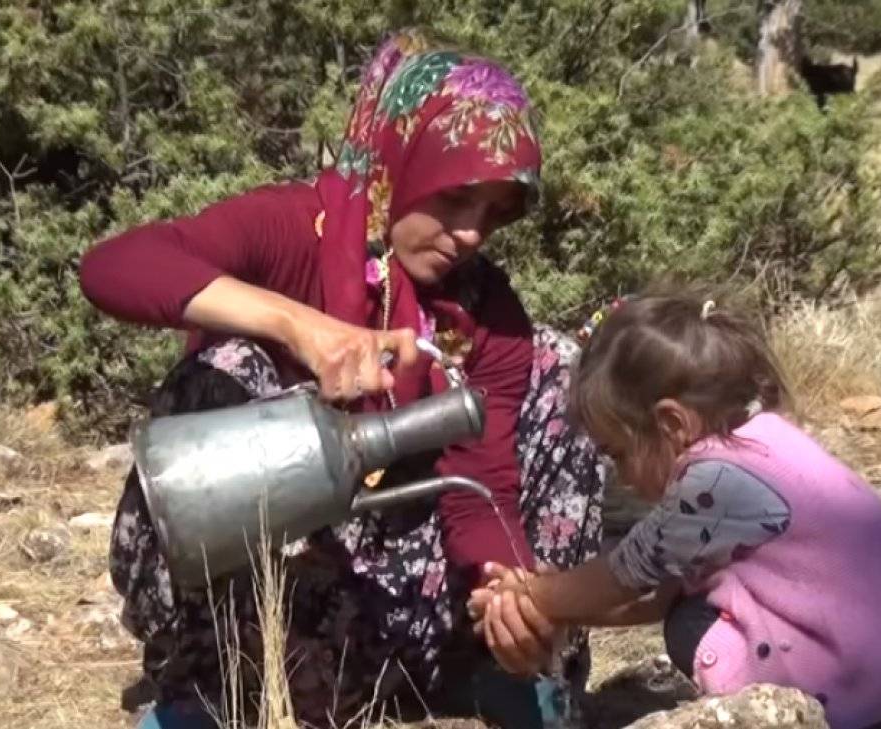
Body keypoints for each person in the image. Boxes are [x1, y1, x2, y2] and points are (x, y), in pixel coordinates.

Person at [80, 29, 606, 728]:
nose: (473, 233)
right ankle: (215, 685)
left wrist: (504, 587)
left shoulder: (482, 309)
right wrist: (298, 326)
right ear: (406, 162)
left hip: (389, 599)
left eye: (495, 213)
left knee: (559, 367)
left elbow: (480, 485)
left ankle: (497, 669)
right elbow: (113, 268)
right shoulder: (295, 228)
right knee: (229, 367)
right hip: (259, 583)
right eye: (457, 199)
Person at [473, 290, 881, 729]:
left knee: (690, 621)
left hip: (864, 687)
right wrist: (554, 602)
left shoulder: (712, 483)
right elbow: (658, 590)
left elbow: (621, 580)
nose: (624, 477)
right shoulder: (766, 440)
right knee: (690, 597)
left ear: (671, 424)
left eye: (618, 454)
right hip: (871, 656)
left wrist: (531, 595)